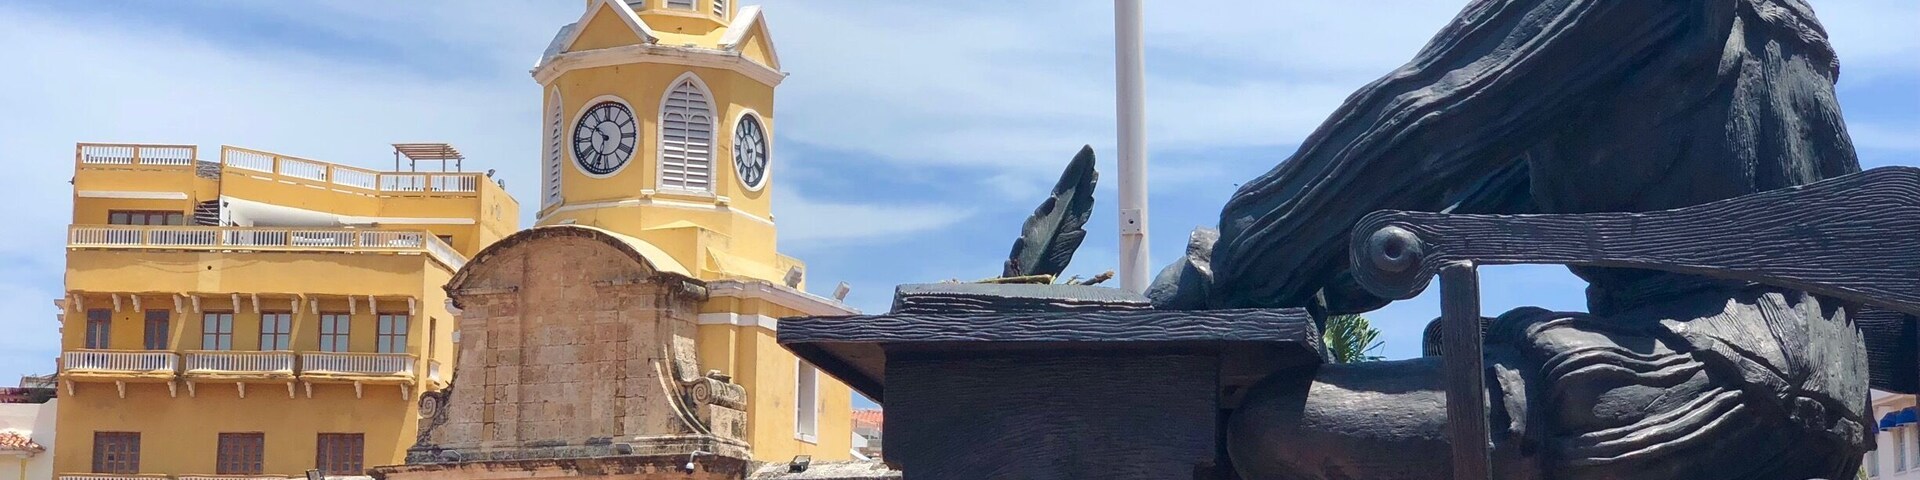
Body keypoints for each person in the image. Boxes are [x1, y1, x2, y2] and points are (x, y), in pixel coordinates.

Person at [1170, 0, 1871, 478]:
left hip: (1714, 379)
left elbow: (1429, 117)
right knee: (1432, 355)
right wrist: (1323, 285)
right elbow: (1458, 200)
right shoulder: (1779, 24)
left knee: (1267, 427)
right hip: (1825, 391)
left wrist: (1223, 267)